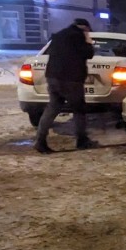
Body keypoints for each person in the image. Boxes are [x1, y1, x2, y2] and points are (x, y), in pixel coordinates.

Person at [34, 18, 97, 153]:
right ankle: (82, 141)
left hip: (53, 77)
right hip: (71, 79)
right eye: (87, 31)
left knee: (52, 108)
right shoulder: (79, 36)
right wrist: (88, 41)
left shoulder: (59, 35)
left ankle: (40, 141)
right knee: (79, 110)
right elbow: (88, 54)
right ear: (84, 28)